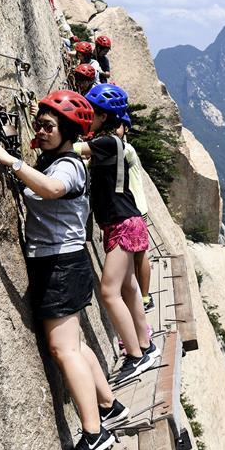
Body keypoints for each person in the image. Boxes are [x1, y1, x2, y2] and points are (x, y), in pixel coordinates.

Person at [0, 90, 130, 450]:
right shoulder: (55, 159)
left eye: (49, 126)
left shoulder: (68, 166)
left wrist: (9, 160)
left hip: (61, 265)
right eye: (40, 124)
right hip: (64, 262)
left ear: (68, 132)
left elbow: (50, 189)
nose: (41, 131)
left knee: (62, 348)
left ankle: (94, 434)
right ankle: (109, 405)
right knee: (75, 344)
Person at [80, 84, 159, 384]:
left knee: (109, 292)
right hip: (126, 222)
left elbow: (73, 149)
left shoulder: (107, 143)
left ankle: (135, 356)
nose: (88, 117)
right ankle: (145, 344)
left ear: (103, 116)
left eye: (91, 113)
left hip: (122, 224)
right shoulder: (112, 142)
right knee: (127, 287)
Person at [117, 113, 154, 311]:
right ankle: (144, 296)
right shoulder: (122, 147)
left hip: (136, 209)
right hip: (136, 207)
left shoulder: (126, 149)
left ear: (126, 129)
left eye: (118, 125)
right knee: (139, 255)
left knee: (139, 256)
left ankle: (145, 297)